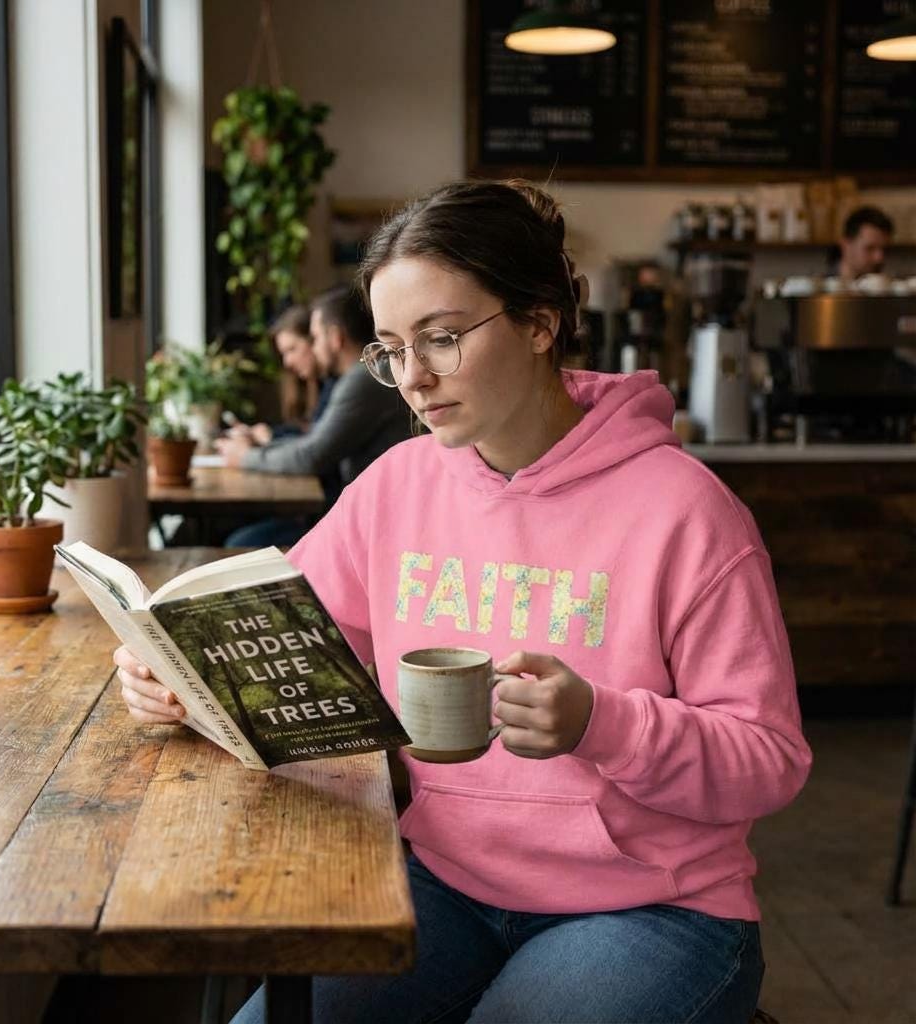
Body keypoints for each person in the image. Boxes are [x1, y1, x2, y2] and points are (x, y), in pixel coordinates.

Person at [116, 180, 812, 1023]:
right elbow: (282, 636)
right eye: (389, 349)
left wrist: (602, 722)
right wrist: (180, 672)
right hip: (443, 884)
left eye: (441, 339)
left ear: (539, 321)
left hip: (650, 908)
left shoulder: (688, 510)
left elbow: (771, 759)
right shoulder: (398, 486)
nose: (412, 378)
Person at [216, 284, 410, 501]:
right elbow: (313, 442)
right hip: (363, 504)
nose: (314, 349)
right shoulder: (356, 378)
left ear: (336, 338)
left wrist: (246, 457)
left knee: (242, 537)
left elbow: (312, 456)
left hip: (372, 509)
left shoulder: (362, 379)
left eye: (316, 338)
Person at [229, 304, 333, 447]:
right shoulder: (310, 386)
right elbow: (304, 432)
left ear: (313, 340)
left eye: (292, 349)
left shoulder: (335, 385)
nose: (287, 362)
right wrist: (268, 432)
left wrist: (270, 439)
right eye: (283, 354)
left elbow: (315, 447)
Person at [835, 205, 894, 283]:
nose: (879, 258)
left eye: (885, 249)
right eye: (870, 248)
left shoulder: (891, 286)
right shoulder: (820, 289)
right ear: (845, 246)